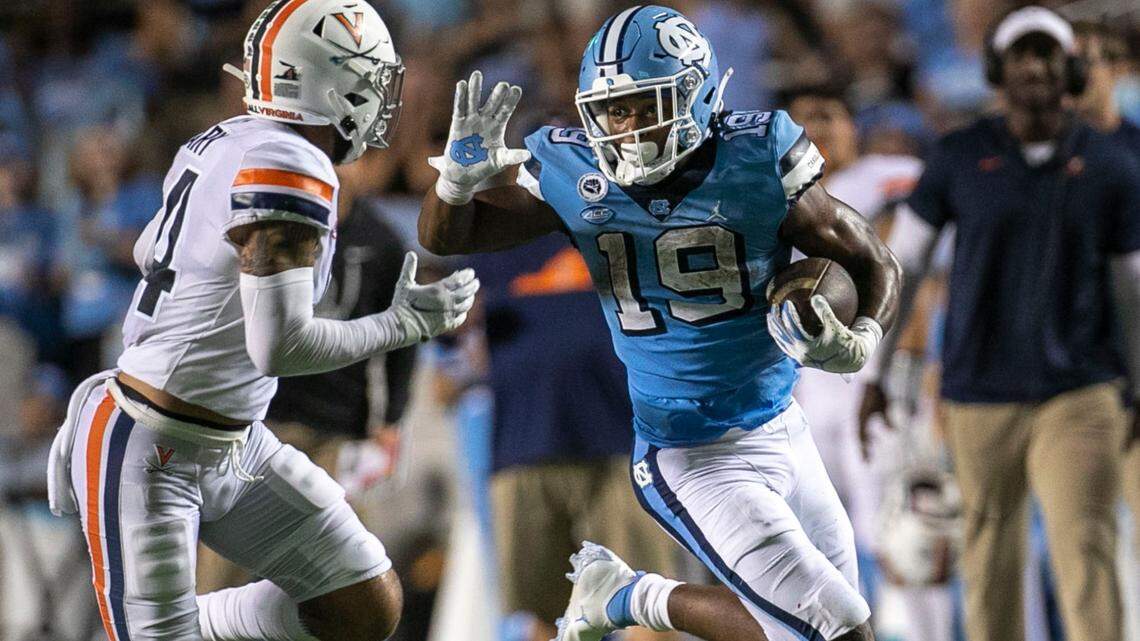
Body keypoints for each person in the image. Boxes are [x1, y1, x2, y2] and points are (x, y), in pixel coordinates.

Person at [418, 6, 901, 641]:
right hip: (688, 451)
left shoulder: (756, 155)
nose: (627, 128)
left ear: (697, 93)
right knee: (840, 627)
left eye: (646, 105)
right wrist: (453, 184)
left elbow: (871, 259)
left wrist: (860, 337)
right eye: (613, 110)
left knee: (804, 629)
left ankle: (623, 592)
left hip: (784, 425)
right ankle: (635, 596)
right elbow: (451, 236)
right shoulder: (578, 173)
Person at [44, 2, 479, 640]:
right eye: (369, 78)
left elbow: (147, 252)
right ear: (330, 83)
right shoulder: (291, 165)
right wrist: (404, 324)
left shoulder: (226, 140)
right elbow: (281, 346)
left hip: (233, 442)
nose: (380, 99)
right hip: (152, 441)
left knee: (363, 603)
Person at [860, 8, 1140, 641]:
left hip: (1081, 388)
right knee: (989, 561)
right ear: (997, 71)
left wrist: (1139, 378)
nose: (1036, 69)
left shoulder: (1110, 162)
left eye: (1048, 55)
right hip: (979, 389)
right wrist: (879, 371)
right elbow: (901, 267)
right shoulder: (959, 156)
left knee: (1086, 551)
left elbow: (1130, 285)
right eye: (1022, 56)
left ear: (1068, 68)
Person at [463, 235, 678, 641]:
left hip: (624, 443)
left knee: (651, 610)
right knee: (545, 619)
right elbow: (455, 343)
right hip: (523, 444)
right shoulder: (487, 240)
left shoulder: (617, 222)